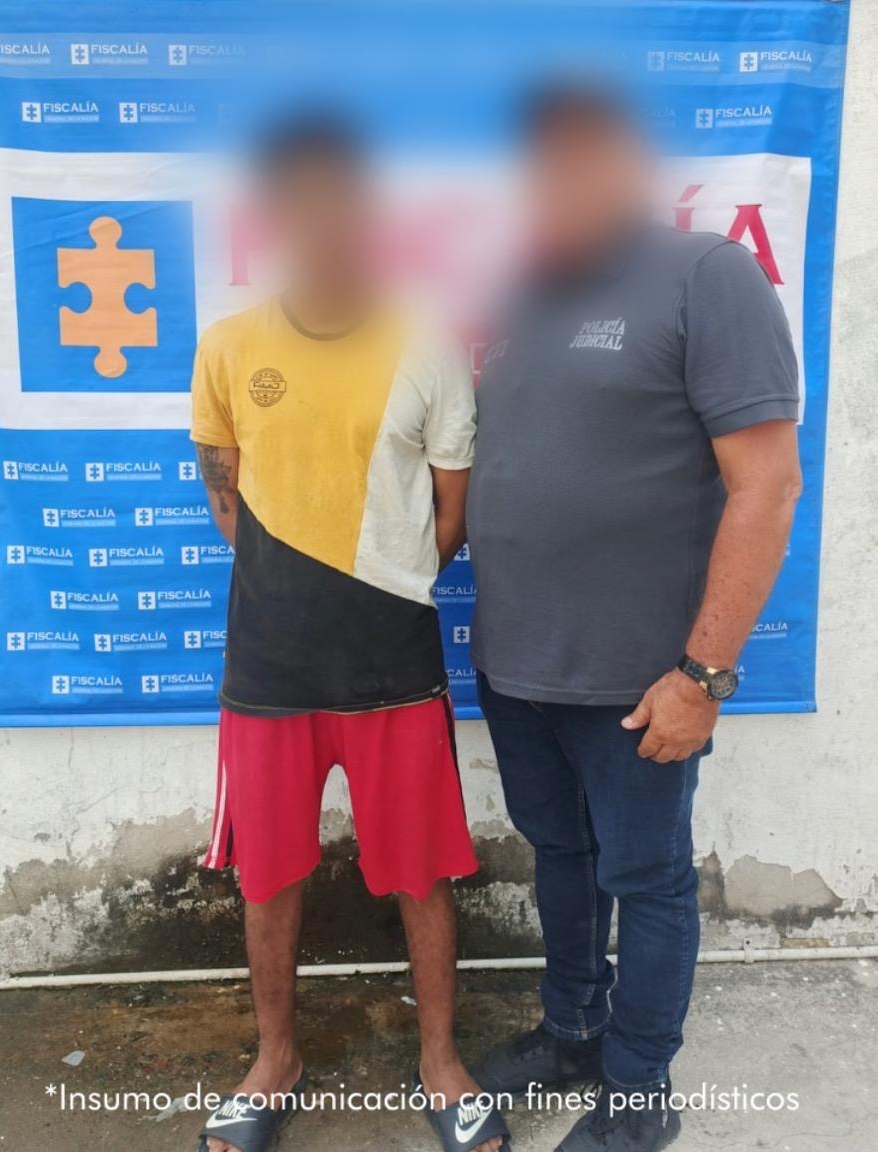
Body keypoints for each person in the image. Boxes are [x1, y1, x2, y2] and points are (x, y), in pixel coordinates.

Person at [467, 86, 802, 1152]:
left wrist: (701, 677)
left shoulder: (707, 276)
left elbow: (766, 487)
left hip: (638, 681)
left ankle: (637, 1088)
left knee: (645, 879)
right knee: (557, 852)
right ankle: (572, 1030)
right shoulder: (520, 298)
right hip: (516, 667)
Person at [190, 116, 509, 1152]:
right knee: (269, 876)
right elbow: (226, 495)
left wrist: (377, 584)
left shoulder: (427, 343)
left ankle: (440, 1062)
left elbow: (452, 513)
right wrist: (297, 585)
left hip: (392, 668)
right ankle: (273, 1059)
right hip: (268, 671)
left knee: (421, 873)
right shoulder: (227, 346)